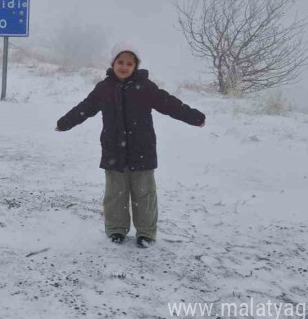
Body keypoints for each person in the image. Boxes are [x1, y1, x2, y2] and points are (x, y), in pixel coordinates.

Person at [55, 42, 206, 248]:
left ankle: (146, 232)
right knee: (115, 195)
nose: (124, 66)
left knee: (144, 194)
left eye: (129, 63)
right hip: (113, 150)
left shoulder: (145, 87)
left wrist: (194, 117)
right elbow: (85, 108)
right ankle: (116, 229)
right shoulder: (104, 88)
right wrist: (65, 123)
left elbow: (169, 104)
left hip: (141, 150)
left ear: (136, 66)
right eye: (120, 62)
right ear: (113, 63)